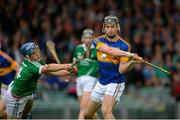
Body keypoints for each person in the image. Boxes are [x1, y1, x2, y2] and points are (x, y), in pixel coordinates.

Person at [83, 15, 144, 119]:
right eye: (107, 27)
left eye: (112, 27)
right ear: (104, 28)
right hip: (101, 82)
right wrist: (129, 55)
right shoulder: (98, 40)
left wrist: (132, 62)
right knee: (87, 114)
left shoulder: (124, 45)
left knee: (106, 111)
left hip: (115, 83)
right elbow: (109, 50)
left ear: (117, 27)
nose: (110, 30)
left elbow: (121, 70)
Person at [4, 42, 77, 119]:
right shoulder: (30, 66)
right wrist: (66, 66)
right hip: (17, 98)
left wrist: (68, 73)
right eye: (34, 53)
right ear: (28, 56)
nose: (37, 54)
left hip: (27, 93)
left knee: (26, 114)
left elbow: (50, 72)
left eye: (37, 50)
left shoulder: (36, 61)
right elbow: (48, 68)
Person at [73, 29, 99, 119]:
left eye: (90, 38)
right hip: (79, 79)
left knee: (83, 109)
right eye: (86, 37)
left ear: (93, 39)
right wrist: (70, 70)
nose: (88, 40)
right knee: (88, 111)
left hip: (91, 79)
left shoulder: (97, 49)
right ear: (82, 38)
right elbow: (75, 65)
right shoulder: (78, 48)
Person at [0, 50, 19, 118]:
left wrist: (15, 84)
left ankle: (21, 115)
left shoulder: (4, 57)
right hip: (3, 90)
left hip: (10, 90)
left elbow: (18, 68)